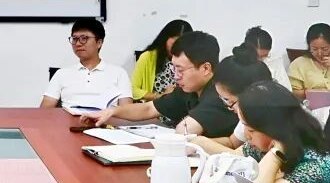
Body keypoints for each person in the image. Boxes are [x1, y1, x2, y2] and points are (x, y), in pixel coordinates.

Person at [90, 31, 237, 138]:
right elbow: (148, 109)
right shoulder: (188, 89)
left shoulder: (220, 93)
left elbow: (185, 131)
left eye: (180, 70)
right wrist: (111, 112)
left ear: (206, 68)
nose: (175, 76)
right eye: (173, 68)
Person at [189, 43, 272, 155]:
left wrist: (201, 143)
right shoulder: (250, 112)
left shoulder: (272, 119)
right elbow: (233, 142)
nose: (229, 107)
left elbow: (241, 156)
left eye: (229, 101)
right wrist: (196, 142)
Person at [40, 18, 133, 110]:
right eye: (74, 39)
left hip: (105, 119)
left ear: (99, 43)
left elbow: (127, 111)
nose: (78, 44)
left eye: (84, 38)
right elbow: (44, 111)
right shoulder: (61, 74)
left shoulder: (119, 73)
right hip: (69, 119)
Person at [131, 19, 192, 101]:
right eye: (174, 44)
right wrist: (160, 97)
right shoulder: (147, 57)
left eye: (182, 46)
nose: (177, 49)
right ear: (165, 39)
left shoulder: (191, 60)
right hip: (154, 106)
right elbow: (133, 90)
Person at [243, 25, 291, 90]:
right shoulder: (236, 61)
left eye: (265, 56)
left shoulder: (275, 60)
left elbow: (286, 89)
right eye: (257, 56)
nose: (260, 60)